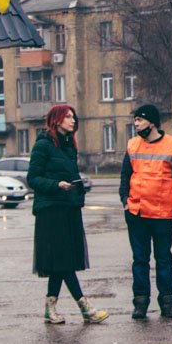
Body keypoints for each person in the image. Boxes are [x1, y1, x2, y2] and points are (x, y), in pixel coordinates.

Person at [28, 104, 108, 325]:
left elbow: (71, 174)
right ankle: (85, 308)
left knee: (60, 261)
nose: (73, 121)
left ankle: (50, 308)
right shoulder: (43, 145)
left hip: (68, 208)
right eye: (69, 117)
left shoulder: (69, 146)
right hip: (51, 211)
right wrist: (56, 185)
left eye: (74, 117)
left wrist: (76, 190)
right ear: (57, 120)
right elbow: (32, 178)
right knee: (63, 261)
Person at [120, 103, 172, 320]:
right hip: (137, 213)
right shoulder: (133, 145)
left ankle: (167, 302)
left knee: (163, 259)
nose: (136, 124)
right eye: (135, 121)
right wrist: (125, 201)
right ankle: (140, 303)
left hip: (162, 214)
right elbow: (124, 177)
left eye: (139, 120)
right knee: (139, 259)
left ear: (151, 122)